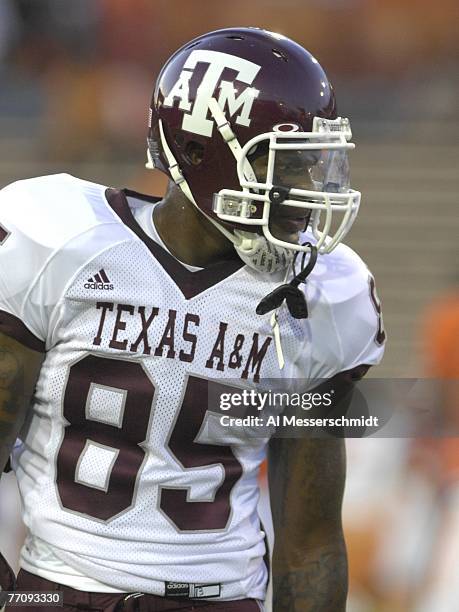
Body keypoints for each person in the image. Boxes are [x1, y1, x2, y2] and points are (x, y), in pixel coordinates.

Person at [0, 27, 385, 611]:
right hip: (62, 590)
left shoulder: (323, 295)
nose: (304, 190)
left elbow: (311, 544)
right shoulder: (64, 244)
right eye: (281, 165)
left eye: (310, 165)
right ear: (200, 152)